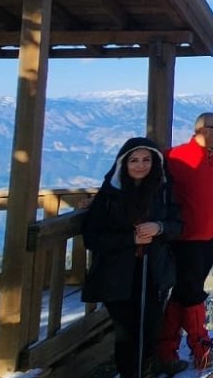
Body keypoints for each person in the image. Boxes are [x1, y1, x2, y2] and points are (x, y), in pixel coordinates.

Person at [82, 137, 181, 378]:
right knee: (126, 333)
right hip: (117, 276)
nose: (140, 165)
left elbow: (178, 226)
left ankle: (145, 369)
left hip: (153, 272)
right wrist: (131, 239)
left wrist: (159, 227)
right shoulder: (109, 196)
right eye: (134, 160)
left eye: (146, 160)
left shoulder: (163, 191)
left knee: (150, 328)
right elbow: (93, 239)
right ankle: (130, 373)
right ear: (123, 164)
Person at [157, 113, 213, 372]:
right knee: (191, 293)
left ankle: (166, 350)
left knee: (183, 293)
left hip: (212, 238)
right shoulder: (173, 157)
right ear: (202, 130)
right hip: (185, 239)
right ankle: (200, 347)